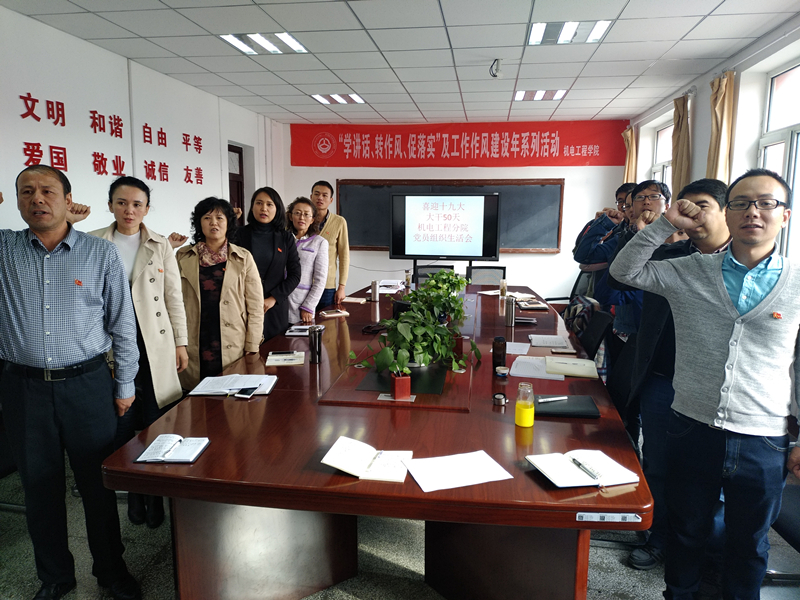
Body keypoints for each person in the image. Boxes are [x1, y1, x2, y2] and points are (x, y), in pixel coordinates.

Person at [609, 169, 800, 600]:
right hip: (692, 427)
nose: (753, 212)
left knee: (750, 544)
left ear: (785, 216)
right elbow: (624, 271)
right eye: (741, 203)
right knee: (686, 531)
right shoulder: (690, 271)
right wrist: (664, 223)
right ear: (727, 215)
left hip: (764, 439)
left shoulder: (797, 283)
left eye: (766, 203)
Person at [0, 166, 141, 600]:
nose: (37, 199)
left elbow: (122, 324)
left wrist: (126, 384)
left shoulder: (100, 253)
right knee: (39, 489)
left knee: (97, 486)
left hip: (87, 385)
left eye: (47, 191)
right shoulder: (4, 249)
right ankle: (55, 577)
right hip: (25, 389)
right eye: (26, 192)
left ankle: (112, 572)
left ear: (68, 200)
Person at [609, 179, 731, 580]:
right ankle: (658, 536)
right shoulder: (673, 258)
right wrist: (664, 225)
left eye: (703, 206)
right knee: (658, 465)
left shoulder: (748, 268)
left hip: (719, 389)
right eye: (685, 206)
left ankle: (707, 548)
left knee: (716, 476)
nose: (692, 214)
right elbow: (620, 275)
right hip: (663, 380)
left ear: (726, 211)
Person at [89, 176, 188, 529]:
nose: (129, 210)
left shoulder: (160, 245)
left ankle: (155, 493)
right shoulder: (93, 242)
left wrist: (180, 342)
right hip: (111, 347)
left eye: (136, 204)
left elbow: (173, 296)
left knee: (155, 422)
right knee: (122, 424)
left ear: (147, 208)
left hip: (154, 345)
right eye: (121, 202)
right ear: (110, 205)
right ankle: (133, 491)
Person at [176, 197, 264, 391]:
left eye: (219, 218)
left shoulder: (243, 257)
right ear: (199, 223)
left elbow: (256, 306)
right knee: (195, 397)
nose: (213, 223)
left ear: (229, 223)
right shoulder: (182, 256)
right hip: (195, 339)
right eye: (207, 218)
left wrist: (252, 345)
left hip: (232, 341)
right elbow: (172, 302)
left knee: (230, 398)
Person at [233, 187, 301, 341]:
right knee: (246, 351)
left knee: (275, 351)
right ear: (252, 207)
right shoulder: (239, 235)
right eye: (259, 203)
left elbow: (295, 274)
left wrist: (273, 298)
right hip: (243, 305)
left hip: (274, 308)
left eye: (269, 204)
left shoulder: (285, 238)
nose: (264, 208)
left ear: (277, 208)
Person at [286, 196, 329, 324]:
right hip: (279, 302)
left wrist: (308, 306)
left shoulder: (319, 243)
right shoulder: (282, 239)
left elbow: (320, 279)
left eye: (306, 214)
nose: (301, 218)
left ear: (312, 219)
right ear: (290, 216)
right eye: (297, 213)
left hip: (301, 303)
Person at [311, 181, 349, 308]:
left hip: (327, 286)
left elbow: (344, 256)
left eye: (324, 195)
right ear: (311, 197)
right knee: (303, 319)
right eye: (317, 194)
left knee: (326, 319)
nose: (320, 198)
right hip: (304, 285)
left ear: (331, 200)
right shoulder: (303, 220)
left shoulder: (339, 222)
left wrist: (341, 287)